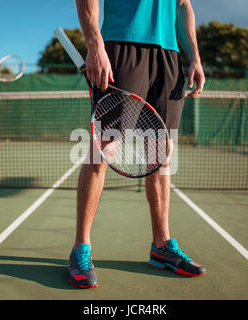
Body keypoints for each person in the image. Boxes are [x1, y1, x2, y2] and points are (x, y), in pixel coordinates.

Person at [69, 0, 207, 288]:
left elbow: (183, 6)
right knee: (103, 150)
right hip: (121, 45)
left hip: (168, 56)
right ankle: (81, 248)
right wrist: (95, 46)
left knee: (161, 154)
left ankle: (162, 246)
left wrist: (194, 56)